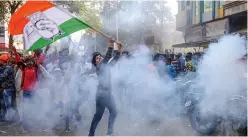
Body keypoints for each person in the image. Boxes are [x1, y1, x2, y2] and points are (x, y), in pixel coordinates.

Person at [88, 37, 122, 136]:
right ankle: (108, 133)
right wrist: (111, 45)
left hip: (103, 95)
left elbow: (115, 59)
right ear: (95, 62)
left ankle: (92, 134)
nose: (99, 58)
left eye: (100, 56)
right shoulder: (99, 67)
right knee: (113, 112)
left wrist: (119, 48)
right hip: (103, 95)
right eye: (97, 58)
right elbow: (107, 58)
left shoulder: (106, 66)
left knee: (99, 116)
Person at [0, 54, 19, 122]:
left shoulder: (8, 68)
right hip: (6, 89)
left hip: (8, 89)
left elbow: (3, 76)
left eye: (0, 60)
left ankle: (11, 119)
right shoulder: (3, 67)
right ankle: (6, 118)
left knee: (9, 105)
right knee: (6, 104)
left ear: (3, 61)